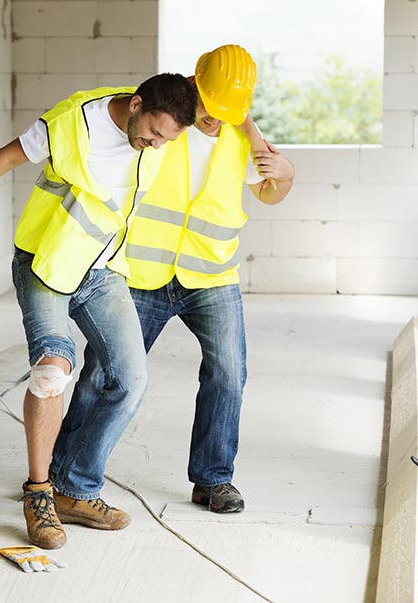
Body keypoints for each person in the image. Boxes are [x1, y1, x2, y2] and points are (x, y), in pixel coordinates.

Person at [0, 74, 197, 548]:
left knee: (131, 381)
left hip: (102, 269)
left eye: (165, 141)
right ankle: (39, 495)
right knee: (52, 371)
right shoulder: (72, 124)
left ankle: (75, 489)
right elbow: (6, 157)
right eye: (154, 134)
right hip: (45, 262)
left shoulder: (156, 125)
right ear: (136, 105)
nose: (155, 146)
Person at [119, 45, 295, 513]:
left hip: (212, 276)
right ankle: (66, 470)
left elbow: (272, 192)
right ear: (195, 84)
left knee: (228, 373)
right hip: (145, 274)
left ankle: (213, 480)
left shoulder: (240, 139)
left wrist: (287, 172)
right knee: (108, 374)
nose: (216, 120)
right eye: (211, 108)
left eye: (228, 112)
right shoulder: (162, 128)